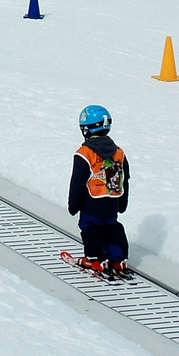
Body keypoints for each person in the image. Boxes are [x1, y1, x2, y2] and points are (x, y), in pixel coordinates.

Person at [67, 105, 131, 279]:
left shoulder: (84, 153)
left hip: (92, 201)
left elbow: (78, 182)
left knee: (91, 227)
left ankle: (95, 259)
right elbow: (125, 178)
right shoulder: (119, 152)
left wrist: (73, 204)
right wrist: (123, 202)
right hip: (112, 201)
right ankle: (118, 259)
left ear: (86, 130)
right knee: (112, 226)